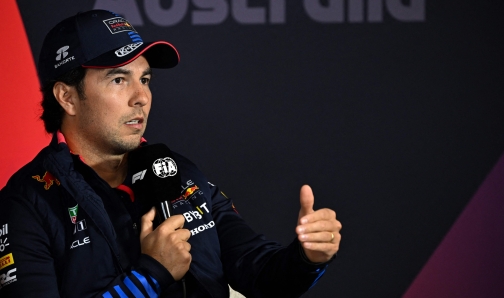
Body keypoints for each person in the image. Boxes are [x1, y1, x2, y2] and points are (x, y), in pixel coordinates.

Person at [0, 9, 341, 297]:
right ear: (67, 97)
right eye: (119, 80)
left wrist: (307, 258)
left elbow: (262, 273)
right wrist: (150, 276)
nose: (141, 97)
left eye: (145, 80)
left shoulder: (177, 172)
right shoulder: (27, 203)